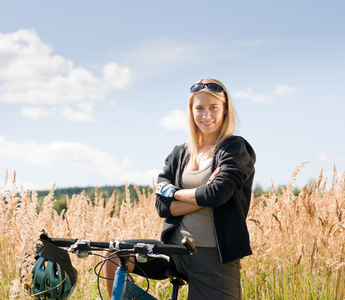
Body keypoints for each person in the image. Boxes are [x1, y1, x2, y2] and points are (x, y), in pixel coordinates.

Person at [103, 78, 256, 299]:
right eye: (200, 108)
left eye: (213, 108)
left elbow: (217, 194)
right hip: (173, 251)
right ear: (191, 112)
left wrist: (174, 193)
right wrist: (201, 195)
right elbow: (162, 206)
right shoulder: (179, 153)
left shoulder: (234, 149)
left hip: (214, 257)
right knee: (115, 255)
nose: (206, 115)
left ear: (224, 111)